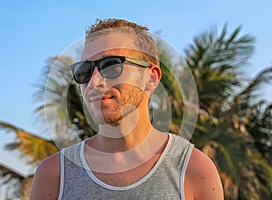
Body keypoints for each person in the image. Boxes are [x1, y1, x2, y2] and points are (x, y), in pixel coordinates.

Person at [30, 18, 224, 200]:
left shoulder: (195, 171)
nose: (94, 82)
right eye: (84, 71)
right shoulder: (53, 175)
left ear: (151, 78)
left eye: (111, 66)